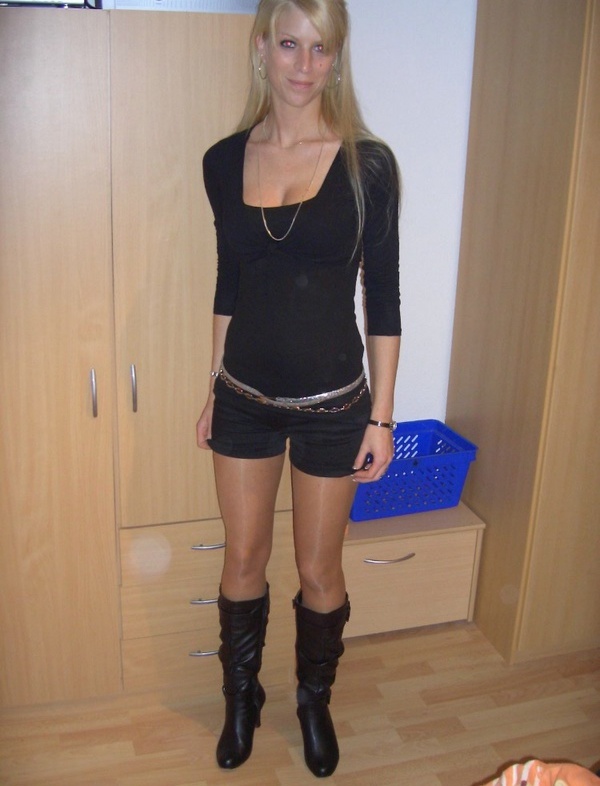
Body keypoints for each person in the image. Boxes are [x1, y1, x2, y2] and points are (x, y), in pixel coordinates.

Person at [196, 0, 401, 777]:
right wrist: (213, 387)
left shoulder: (366, 165)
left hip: (334, 408)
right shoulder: (223, 161)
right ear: (262, 47)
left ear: (337, 58)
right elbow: (230, 281)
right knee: (244, 557)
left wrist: (382, 418)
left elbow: (384, 299)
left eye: (321, 48)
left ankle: (314, 699)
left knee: (319, 571)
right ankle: (240, 697)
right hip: (244, 398)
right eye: (290, 44)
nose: (304, 65)